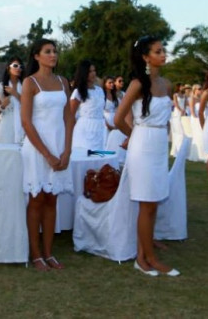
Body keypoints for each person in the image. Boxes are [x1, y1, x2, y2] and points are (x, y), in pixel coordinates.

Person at [114, 35, 179, 277]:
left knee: (152, 202)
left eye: (164, 50)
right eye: (158, 51)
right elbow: (118, 118)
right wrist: (134, 136)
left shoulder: (167, 83)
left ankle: (144, 255)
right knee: (146, 202)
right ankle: (146, 258)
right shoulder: (137, 85)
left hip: (159, 143)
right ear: (145, 57)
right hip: (142, 143)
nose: (163, 54)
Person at [21, 38, 73, 271]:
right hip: (37, 148)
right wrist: (47, 154)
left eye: (55, 51)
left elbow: (69, 118)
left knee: (53, 199)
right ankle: (36, 254)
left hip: (59, 145)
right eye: (48, 51)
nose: (53, 55)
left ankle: (49, 252)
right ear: (36, 56)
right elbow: (26, 122)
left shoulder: (63, 82)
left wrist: (67, 150)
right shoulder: (30, 82)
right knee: (37, 199)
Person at [69, 60, 105, 150]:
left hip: (100, 128)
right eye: (90, 71)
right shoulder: (78, 92)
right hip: (85, 129)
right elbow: (70, 115)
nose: (93, 74)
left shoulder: (99, 90)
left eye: (94, 71)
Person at [0, 57, 25, 143]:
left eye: (20, 67)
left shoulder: (25, 85)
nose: (18, 68)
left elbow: (30, 105)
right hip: (7, 125)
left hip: (23, 124)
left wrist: (15, 93)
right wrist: (3, 106)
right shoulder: (0, 87)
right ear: (8, 67)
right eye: (15, 65)